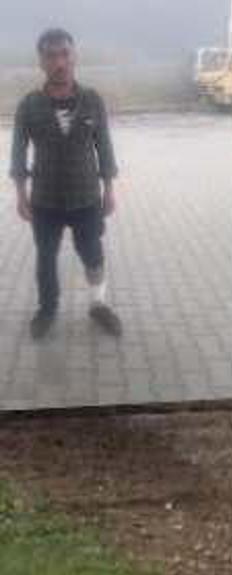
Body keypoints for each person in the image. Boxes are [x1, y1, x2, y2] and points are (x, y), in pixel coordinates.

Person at [9, 27, 121, 340]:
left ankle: (98, 305)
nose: (59, 62)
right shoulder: (29, 105)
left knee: (92, 253)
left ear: (74, 57)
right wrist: (21, 195)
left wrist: (109, 190)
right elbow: (18, 153)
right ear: (41, 62)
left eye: (64, 54)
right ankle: (47, 309)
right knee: (45, 256)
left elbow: (105, 147)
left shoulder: (92, 100)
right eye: (51, 55)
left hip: (87, 197)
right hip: (44, 200)